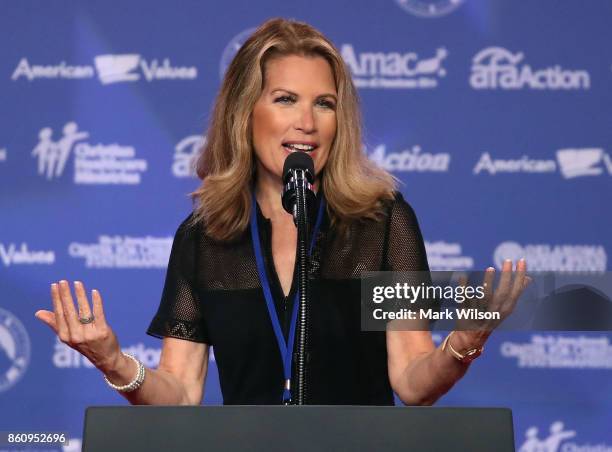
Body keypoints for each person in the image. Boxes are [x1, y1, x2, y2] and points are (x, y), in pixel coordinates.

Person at [35, 18, 529, 406]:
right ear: (245, 112)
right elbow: (181, 394)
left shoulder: (381, 225)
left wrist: (462, 343)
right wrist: (115, 364)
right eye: (286, 99)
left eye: (325, 103)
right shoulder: (206, 237)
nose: (307, 123)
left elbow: (413, 382)